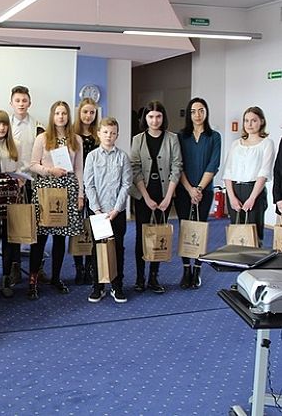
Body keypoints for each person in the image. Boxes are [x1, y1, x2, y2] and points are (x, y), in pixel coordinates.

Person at [28, 100, 84, 300]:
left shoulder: (76, 139)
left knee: (61, 238)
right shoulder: (42, 138)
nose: (61, 116)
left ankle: (56, 277)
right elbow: (33, 165)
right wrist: (50, 170)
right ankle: (33, 280)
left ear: (69, 116)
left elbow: (79, 169)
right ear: (52, 116)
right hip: (46, 190)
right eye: (57, 113)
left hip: (68, 191)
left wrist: (80, 194)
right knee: (40, 239)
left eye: (64, 113)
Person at [130, 100, 182, 294]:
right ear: (145, 118)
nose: (154, 120)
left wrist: (169, 197)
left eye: (158, 116)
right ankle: (140, 278)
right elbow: (134, 168)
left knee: (159, 235)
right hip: (144, 192)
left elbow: (177, 167)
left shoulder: (172, 139)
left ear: (163, 117)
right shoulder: (138, 139)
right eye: (150, 116)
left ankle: (154, 276)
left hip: (164, 192)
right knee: (141, 236)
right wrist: (145, 197)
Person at [84, 117, 132, 303]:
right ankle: (98, 286)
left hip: (116, 213)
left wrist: (116, 209)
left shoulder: (123, 157)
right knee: (98, 249)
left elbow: (126, 184)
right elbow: (89, 185)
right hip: (98, 213)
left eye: (112, 133)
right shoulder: (92, 157)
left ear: (117, 135)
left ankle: (116, 285)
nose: (109, 136)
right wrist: (96, 210)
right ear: (99, 134)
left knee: (117, 248)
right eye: (105, 132)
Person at [176, 98, 221, 289]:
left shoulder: (214, 136)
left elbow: (214, 164)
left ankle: (197, 270)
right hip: (183, 190)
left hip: (205, 191)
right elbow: (178, 164)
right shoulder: (181, 136)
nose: (197, 115)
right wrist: (189, 189)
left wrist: (199, 189)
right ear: (189, 114)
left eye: (201, 110)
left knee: (200, 230)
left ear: (206, 112)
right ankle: (186, 269)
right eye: (193, 111)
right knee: (185, 229)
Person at [8, 85, 48, 285]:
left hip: (35, 182)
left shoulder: (39, 127)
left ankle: (36, 267)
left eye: (24, 100)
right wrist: (15, 176)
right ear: (11, 103)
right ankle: (15, 267)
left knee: (37, 227)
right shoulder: (5, 125)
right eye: (17, 100)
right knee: (15, 226)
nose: (21, 104)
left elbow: (43, 156)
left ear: (29, 103)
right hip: (13, 182)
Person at [224, 106, 274, 247]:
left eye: (253, 120)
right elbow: (228, 172)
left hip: (254, 192)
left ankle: (253, 267)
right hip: (234, 191)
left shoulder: (267, 143)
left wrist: (252, 198)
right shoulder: (236, 144)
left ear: (262, 122)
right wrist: (231, 197)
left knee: (254, 235)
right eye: (246, 121)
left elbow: (264, 173)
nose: (249, 124)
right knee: (237, 234)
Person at [0, 110, 23, 299]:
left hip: (11, 194)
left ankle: (7, 278)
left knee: (9, 238)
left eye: (4, 124)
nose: (1, 128)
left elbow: (20, 168)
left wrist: (22, 179)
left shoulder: (15, 144)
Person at [72, 97, 99, 285]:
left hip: (95, 187)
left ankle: (90, 266)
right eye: (85, 112)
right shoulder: (72, 135)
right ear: (79, 113)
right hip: (76, 185)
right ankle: (78, 268)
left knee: (92, 227)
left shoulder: (99, 135)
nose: (88, 116)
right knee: (77, 227)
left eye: (92, 112)